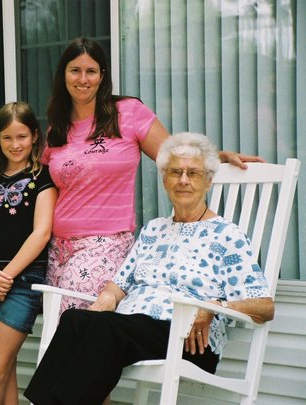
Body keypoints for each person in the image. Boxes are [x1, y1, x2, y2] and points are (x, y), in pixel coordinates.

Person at [23, 132, 275, 405]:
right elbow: (120, 283)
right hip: (132, 328)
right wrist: (108, 296)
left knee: (105, 330)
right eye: (175, 172)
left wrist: (215, 306)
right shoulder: (154, 229)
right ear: (164, 179)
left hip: (186, 338)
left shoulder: (226, 235)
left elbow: (264, 307)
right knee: (76, 319)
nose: (183, 180)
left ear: (208, 181)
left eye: (193, 173)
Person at [42, 37, 265, 313]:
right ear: (63, 75)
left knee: (75, 318)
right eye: (75, 70)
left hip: (104, 243)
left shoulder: (127, 112)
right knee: (57, 323)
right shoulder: (57, 128)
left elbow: (175, 154)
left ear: (103, 76)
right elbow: (43, 186)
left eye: (91, 71)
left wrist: (217, 156)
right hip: (58, 247)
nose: (83, 79)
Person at [0, 102, 58, 404]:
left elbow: (41, 233)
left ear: (34, 136)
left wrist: (3, 279)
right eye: (7, 137)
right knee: (3, 368)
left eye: (22, 137)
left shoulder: (43, 179)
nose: (15, 144)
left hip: (21, 281)